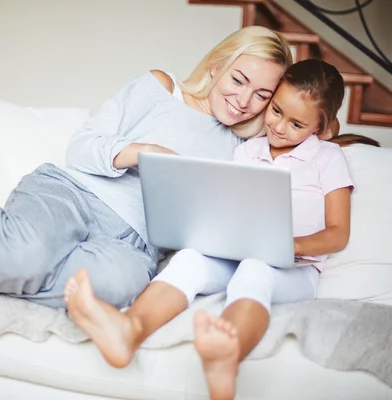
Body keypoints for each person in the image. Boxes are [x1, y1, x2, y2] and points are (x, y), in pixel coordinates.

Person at [0, 26, 292, 310]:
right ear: (218, 67)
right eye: (239, 80)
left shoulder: (245, 148)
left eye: (261, 95)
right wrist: (140, 151)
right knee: (24, 255)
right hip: (71, 195)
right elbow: (82, 146)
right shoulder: (162, 87)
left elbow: (313, 131)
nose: (244, 101)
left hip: (135, 244)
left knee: (115, 289)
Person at [63, 59, 354, 400]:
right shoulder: (246, 151)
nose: (278, 126)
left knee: (255, 269)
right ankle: (130, 330)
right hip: (239, 250)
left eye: (297, 124)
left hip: (296, 266)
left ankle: (227, 354)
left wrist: (285, 245)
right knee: (189, 259)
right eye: (275, 111)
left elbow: (338, 233)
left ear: (322, 128)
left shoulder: (328, 158)